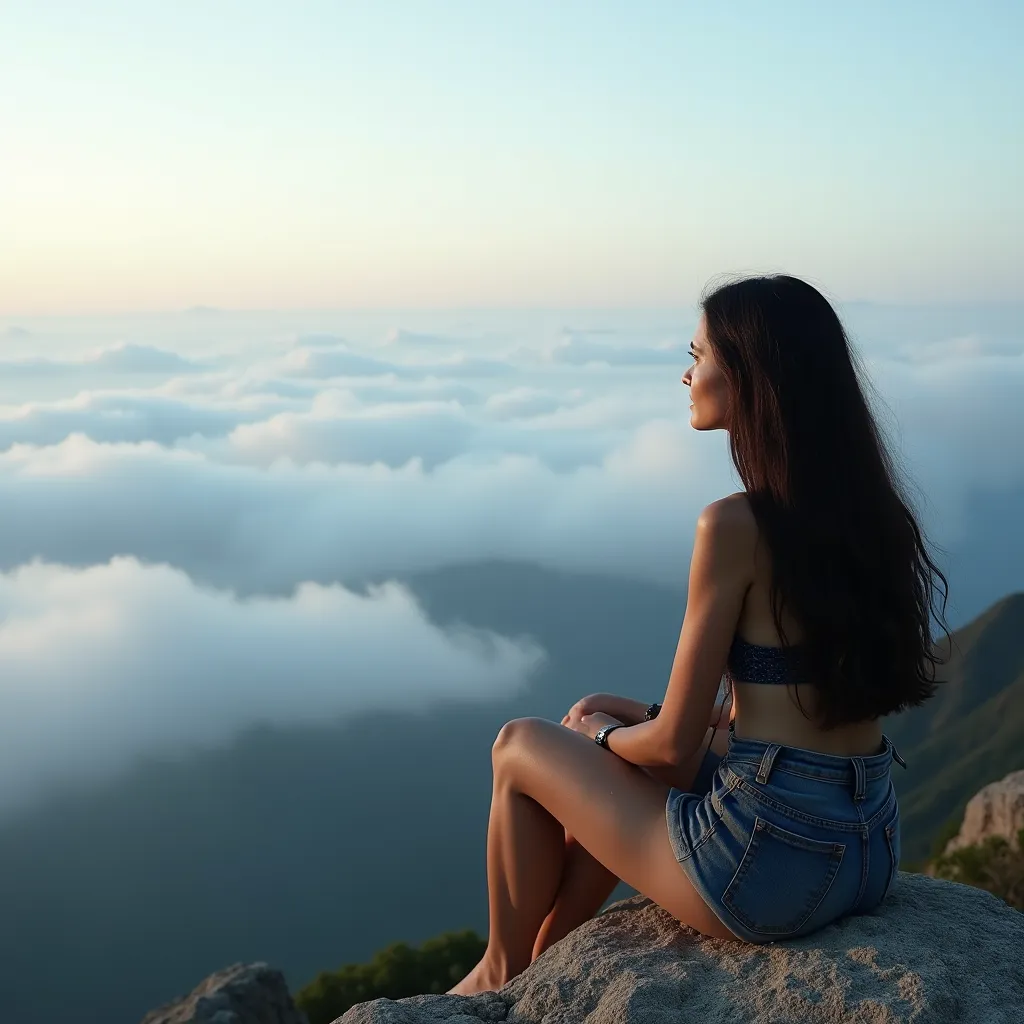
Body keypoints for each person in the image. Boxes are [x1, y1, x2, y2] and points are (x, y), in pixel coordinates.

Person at [447, 274, 952, 996]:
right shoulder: (873, 515)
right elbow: (783, 718)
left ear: (750, 377)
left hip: (770, 867)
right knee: (625, 747)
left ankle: (501, 973)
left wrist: (594, 735)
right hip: (869, 847)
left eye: (699, 355)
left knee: (520, 745)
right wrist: (631, 713)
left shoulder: (735, 526)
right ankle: (548, 958)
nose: (687, 373)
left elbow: (675, 748)